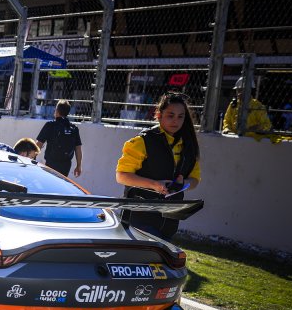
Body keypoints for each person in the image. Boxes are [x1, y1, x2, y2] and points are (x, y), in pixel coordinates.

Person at [115, 92, 201, 242]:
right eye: (170, 115)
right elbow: (121, 176)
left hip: (170, 221)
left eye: (180, 116)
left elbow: (195, 180)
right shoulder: (142, 141)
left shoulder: (189, 145)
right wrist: (154, 184)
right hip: (139, 217)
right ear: (159, 115)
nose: (176, 121)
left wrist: (182, 184)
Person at [35, 99, 82, 177]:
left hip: (51, 163)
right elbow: (78, 148)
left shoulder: (50, 125)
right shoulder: (73, 128)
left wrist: (32, 158)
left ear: (57, 111)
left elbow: (39, 144)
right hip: (66, 165)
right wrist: (79, 166)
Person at [222, 77, 275, 141]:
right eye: (238, 90)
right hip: (234, 139)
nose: (239, 93)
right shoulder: (233, 105)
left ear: (249, 91)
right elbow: (226, 120)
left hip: (252, 140)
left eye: (242, 90)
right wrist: (227, 130)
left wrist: (257, 128)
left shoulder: (257, 106)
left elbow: (267, 125)